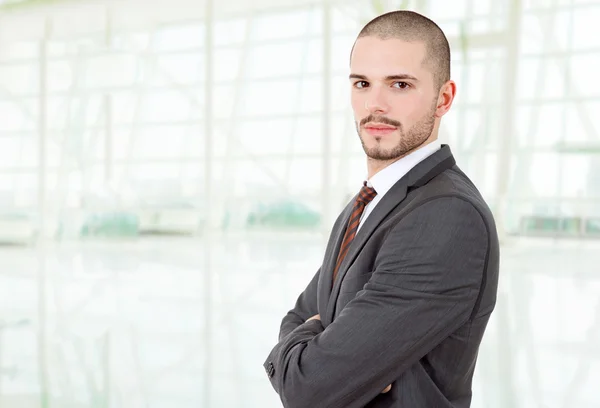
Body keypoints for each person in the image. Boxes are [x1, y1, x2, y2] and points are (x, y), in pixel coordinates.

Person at [262, 10, 500, 408]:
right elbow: (298, 315)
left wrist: (310, 346)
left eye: (400, 84)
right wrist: (310, 343)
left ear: (443, 98)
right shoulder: (368, 203)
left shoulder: (446, 215)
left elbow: (310, 389)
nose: (375, 104)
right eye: (362, 83)